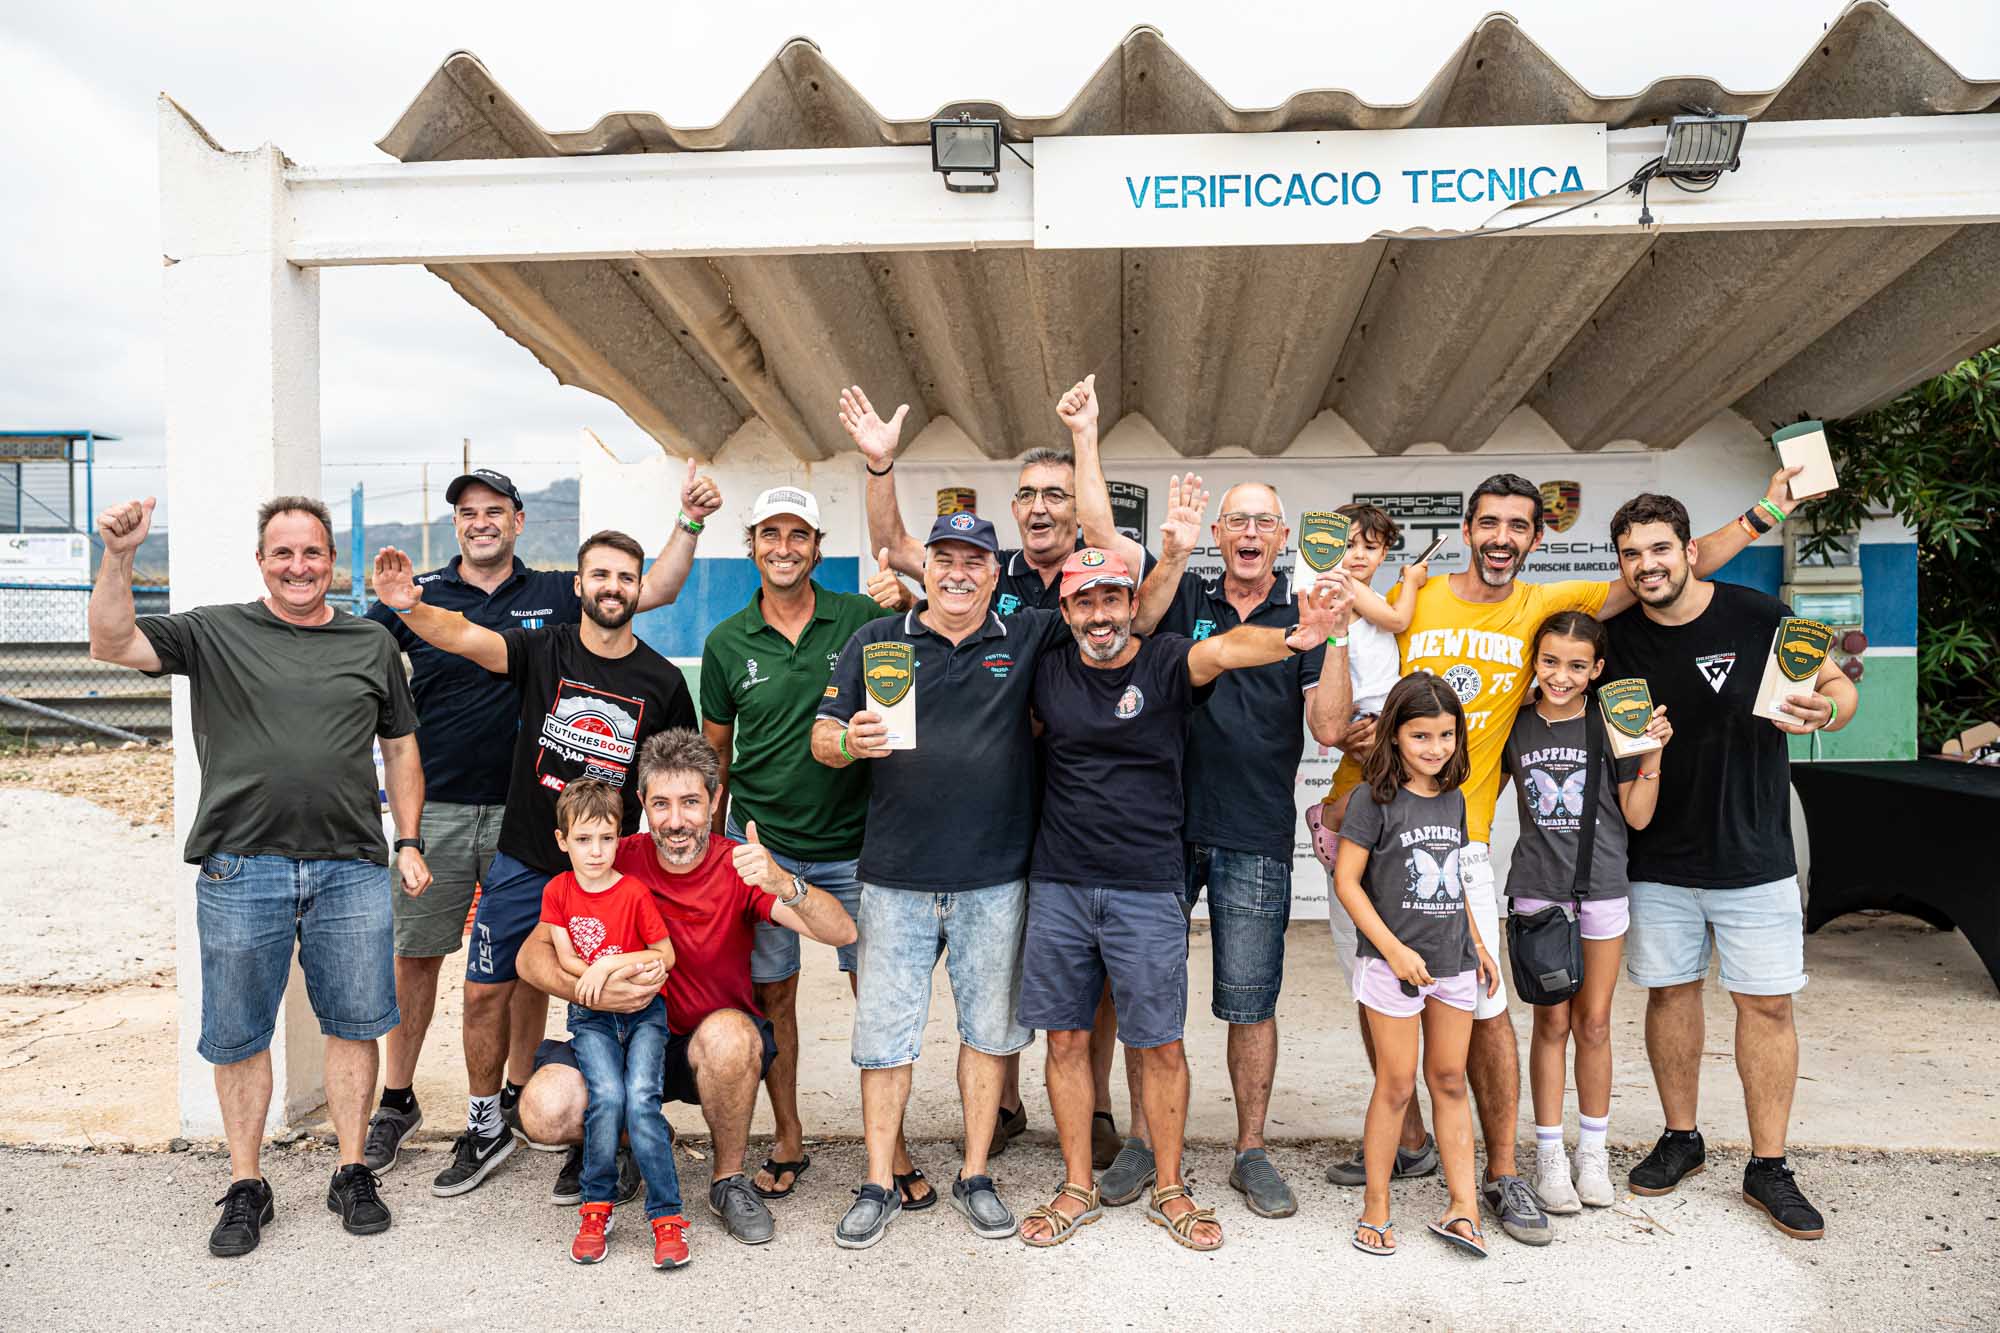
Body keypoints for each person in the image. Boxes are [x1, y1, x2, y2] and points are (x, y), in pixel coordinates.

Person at [1363, 465, 1808, 1246]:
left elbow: (1666, 567)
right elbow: (1370, 662)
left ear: (1537, 539)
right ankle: (1477, 1157)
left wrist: (1764, 511)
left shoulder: (1553, 613)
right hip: (1462, 858)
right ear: (1467, 529)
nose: (1502, 537)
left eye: (1518, 525)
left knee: (1540, 1019)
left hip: (1558, 867)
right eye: (1488, 522)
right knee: (1454, 1009)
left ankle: (1540, 1165)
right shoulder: (1423, 602)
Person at [88, 494, 430, 1257]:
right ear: (261, 560)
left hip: (350, 865)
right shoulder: (213, 631)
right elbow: (111, 641)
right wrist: (119, 556)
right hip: (241, 866)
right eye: (284, 553)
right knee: (240, 1032)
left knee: (355, 1023)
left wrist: (408, 840)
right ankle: (247, 1182)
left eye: (312, 553)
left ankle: (351, 1169)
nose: (298, 566)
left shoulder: (371, 641)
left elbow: (401, 746)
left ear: (331, 560)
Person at [359, 463, 718, 1172]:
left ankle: (606, 1128)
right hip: (524, 853)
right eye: (600, 575)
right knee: (483, 989)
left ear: (636, 588)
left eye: (625, 577)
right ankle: (484, 1123)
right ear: (578, 586)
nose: (612, 586)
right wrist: (408, 606)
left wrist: (689, 851)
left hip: (606, 868)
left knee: (612, 992)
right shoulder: (541, 648)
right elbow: (465, 636)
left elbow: (677, 780)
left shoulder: (661, 681)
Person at [842, 375, 1141, 1165]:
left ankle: (1090, 1107)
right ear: (1011, 509)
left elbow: (1115, 559)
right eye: (1028, 494)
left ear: (1074, 507)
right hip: (974, 818)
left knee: (1069, 977)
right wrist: (880, 464)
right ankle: (1001, 1110)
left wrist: (1085, 438)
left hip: (1064, 809)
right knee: (989, 987)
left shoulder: (1079, 591)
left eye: (1056, 494)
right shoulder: (989, 574)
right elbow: (894, 543)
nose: (1041, 507)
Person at [1016, 544, 1346, 1253]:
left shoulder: (1165, 660)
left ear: (1133, 604)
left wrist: (1297, 638)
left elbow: (1226, 649)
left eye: (1112, 598)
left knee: (1160, 1042)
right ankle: (1076, 1185)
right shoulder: (1046, 670)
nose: (1099, 614)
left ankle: (1170, 1187)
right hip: (1060, 880)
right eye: (1084, 601)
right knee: (1066, 1039)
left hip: (1146, 882)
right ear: (1066, 611)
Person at [810, 512, 1076, 1249]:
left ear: (995, 574)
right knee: (885, 1037)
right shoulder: (878, 640)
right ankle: (877, 1182)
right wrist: (847, 740)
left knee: (988, 1035)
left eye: (974, 561)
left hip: (995, 878)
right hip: (894, 879)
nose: (958, 573)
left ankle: (975, 1173)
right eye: (945, 559)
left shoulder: (1027, 635)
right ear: (923, 568)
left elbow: (1120, 616)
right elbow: (821, 735)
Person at [1601, 492, 1857, 1241]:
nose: (1646, 565)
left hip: (1756, 855)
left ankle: (1769, 1165)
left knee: (1768, 1007)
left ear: (1689, 550)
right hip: (1658, 857)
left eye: (1659, 548)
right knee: (1671, 995)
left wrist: (1826, 713)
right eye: (1631, 554)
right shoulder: (1616, 638)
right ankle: (1681, 1137)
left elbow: (1838, 687)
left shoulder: (1758, 614)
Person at [512, 730, 859, 1247]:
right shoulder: (612, 857)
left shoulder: (738, 865)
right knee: (543, 1109)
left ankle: (727, 1179)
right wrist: (588, 989)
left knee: (732, 1037)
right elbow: (529, 957)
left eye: (691, 802)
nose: (676, 820)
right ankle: (634, 1136)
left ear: (715, 801)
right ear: (643, 804)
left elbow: (842, 931)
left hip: (702, 1050)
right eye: (662, 804)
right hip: (619, 1035)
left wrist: (784, 882)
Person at [1118, 475, 1353, 1218]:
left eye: (1264, 522)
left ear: (1284, 537)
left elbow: (1330, 727)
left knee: (1250, 1002)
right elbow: (1134, 624)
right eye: (1237, 521)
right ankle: (1141, 1138)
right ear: (1218, 535)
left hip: (1253, 831)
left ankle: (1250, 1149)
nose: (1250, 533)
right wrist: (1170, 555)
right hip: (1159, 827)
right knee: (1147, 993)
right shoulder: (1183, 592)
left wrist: (1336, 630)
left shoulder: (1304, 607)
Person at [699, 485, 913, 1201]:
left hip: (857, 845)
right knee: (773, 997)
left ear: (818, 548)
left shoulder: (860, 617)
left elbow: (931, 633)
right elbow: (717, 754)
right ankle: (788, 1134)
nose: (784, 548)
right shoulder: (726, 642)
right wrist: (714, 850)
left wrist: (908, 594)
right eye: (771, 534)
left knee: (874, 993)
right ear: (752, 546)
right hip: (763, 846)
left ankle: (892, 1145)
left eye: (799, 535)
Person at [1499, 610, 1670, 1212]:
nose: (1561, 676)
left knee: (1594, 1023)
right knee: (1550, 1023)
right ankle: (1549, 1155)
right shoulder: (1514, 723)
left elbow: (1638, 815)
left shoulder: (1613, 721)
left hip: (1601, 889)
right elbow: (1475, 791)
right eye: (1549, 662)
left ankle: (1591, 1153)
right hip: (1537, 891)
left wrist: (1650, 753)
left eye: (1576, 665)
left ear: (1597, 669)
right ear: (1534, 662)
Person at [1334, 673, 1496, 1258]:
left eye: (1446, 735)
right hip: (1391, 965)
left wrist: (1477, 942)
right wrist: (1394, 951)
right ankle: (1376, 1206)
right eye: (1421, 735)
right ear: (1395, 736)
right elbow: (1347, 883)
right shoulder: (1371, 800)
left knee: (1449, 1079)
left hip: (1452, 961)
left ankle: (1463, 1207)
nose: (1435, 747)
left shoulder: (1454, 798)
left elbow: (1454, 878)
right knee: (1397, 1083)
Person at [1305, 503, 1439, 1188]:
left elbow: (1399, 624)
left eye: (1369, 546)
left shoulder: (1374, 600)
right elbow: (1330, 727)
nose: (1356, 555)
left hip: (1402, 790)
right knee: (1370, 978)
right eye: (1345, 543)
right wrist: (1406, 584)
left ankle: (1425, 1133)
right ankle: (1405, 1136)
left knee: (1415, 981)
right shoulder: (1333, 600)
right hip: (1361, 754)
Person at [538, 780, 684, 1268]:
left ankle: (667, 1216)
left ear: (619, 837)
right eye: (583, 839)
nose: (596, 851)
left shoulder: (633, 892)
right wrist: (603, 973)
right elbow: (565, 958)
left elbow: (664, 955)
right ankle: (596, 1206)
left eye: (606, 838)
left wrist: (606, 966)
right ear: (563, 841)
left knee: (641, 1100)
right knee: (607, 1099)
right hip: (592, 1019)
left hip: (645, 1014)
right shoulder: (558, 891)